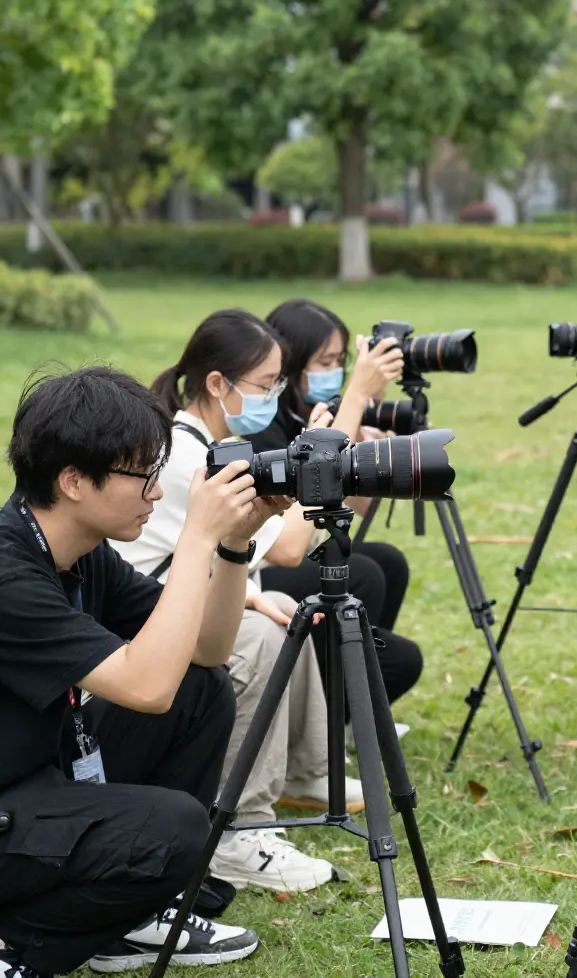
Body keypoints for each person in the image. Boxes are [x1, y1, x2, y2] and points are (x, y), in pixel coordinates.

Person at [0, 367, 268, 977]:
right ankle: (17, 945)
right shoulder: (9, 576)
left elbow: (208, 650)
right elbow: (146, 688)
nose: (157, 492)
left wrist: (231, 546)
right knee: (174, 830)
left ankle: (133, 910)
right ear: (73, 481)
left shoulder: (83, 552)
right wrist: (195, 538)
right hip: (8, 811)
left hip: (42, 775)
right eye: (143, 475)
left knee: (202, 689)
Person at [115, 310, 342, 894]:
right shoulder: (186, 458)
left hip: (166, 604)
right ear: (217, 383)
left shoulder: (209, 444)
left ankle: (308, 772)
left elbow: (226, 557)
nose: (274, 395)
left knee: (282, 609)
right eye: (266, 384)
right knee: (262, 633)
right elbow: (287, 546)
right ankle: (239, 829)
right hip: (140, 624)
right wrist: (317, 457)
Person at [250, 298, 423, 716]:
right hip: (259, 567)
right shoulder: (260, 425)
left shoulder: (309, 412)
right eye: (324, 361)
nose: (335, 371)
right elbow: (288, 548)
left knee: (388, 561)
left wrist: (362, 422)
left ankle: (347, 703)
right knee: (363, 573)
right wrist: (355, 396)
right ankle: (332, 702)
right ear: (289, 363)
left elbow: (364, 503)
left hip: (287, 557)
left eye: (340, 361)